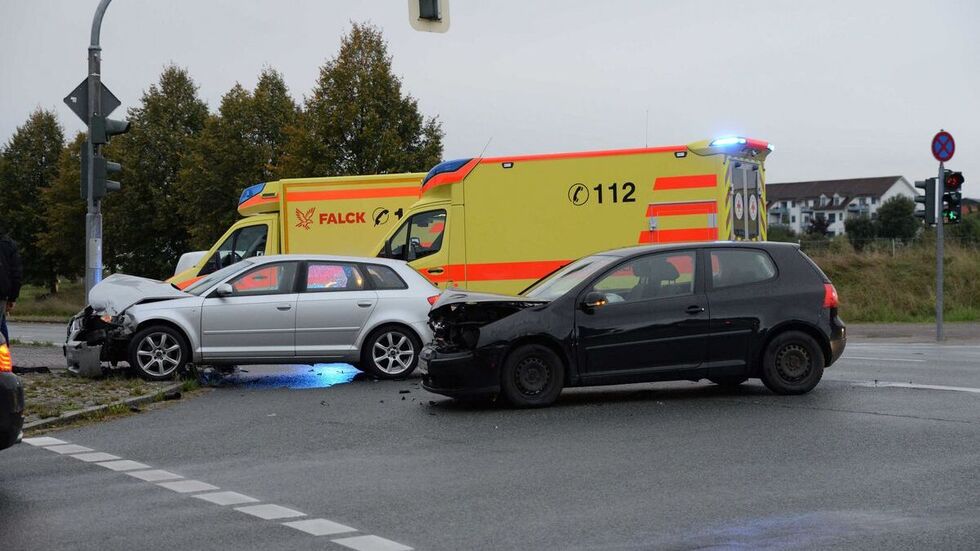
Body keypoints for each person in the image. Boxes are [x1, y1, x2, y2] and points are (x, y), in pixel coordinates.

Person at [0, 223, 22, 343]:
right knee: (1, 323)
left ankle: (3, 359)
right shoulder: (9, 245)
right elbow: (16, 273)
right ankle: (4, 359)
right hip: (2, 293)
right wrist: (13, 297)